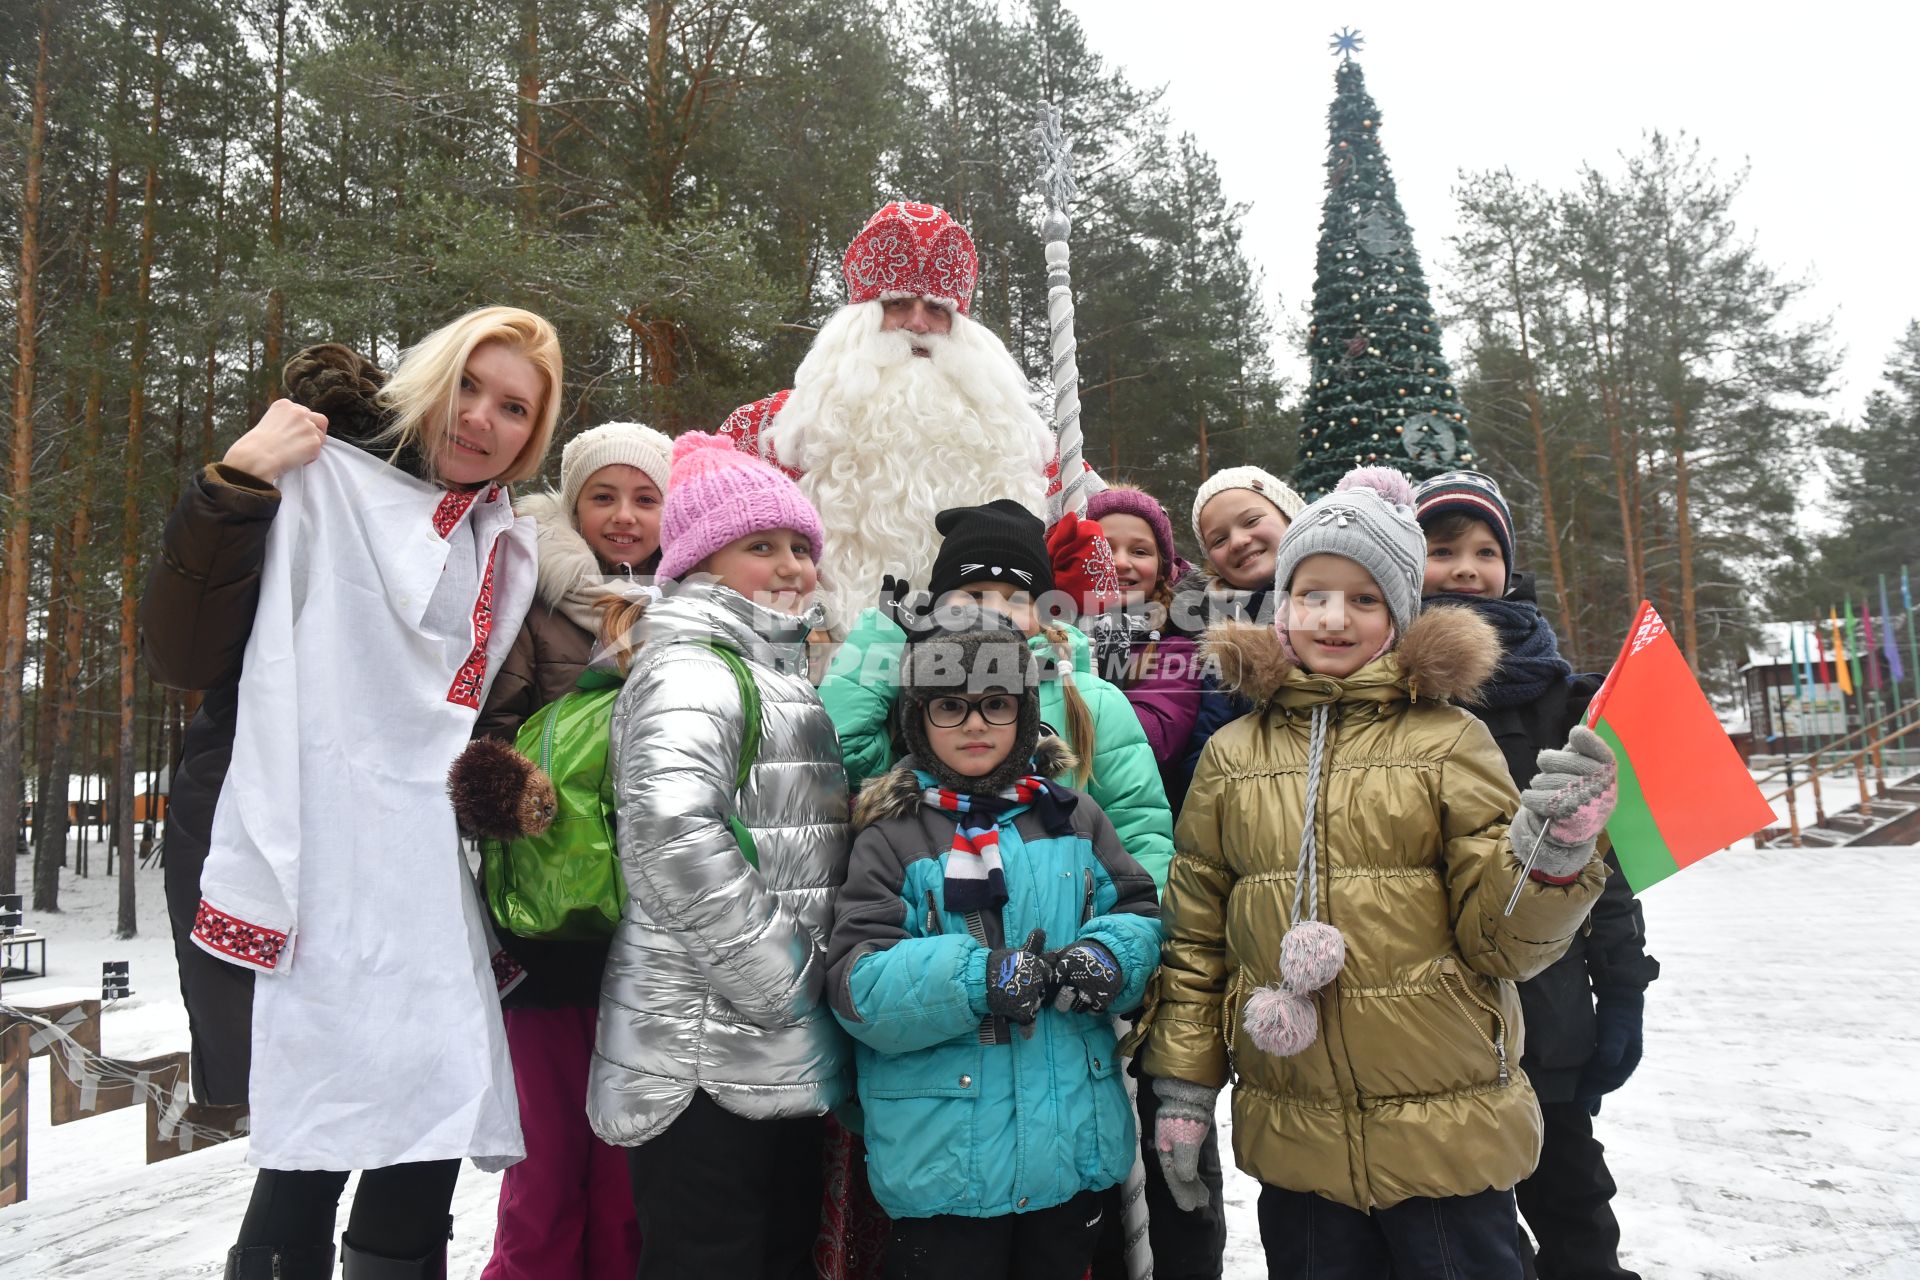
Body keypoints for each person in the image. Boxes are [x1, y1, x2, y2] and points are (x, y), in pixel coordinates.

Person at [142, 309, 563, 1278]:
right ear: (431, 377)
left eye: (512, 407)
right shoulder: (314, 479)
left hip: (420, 871)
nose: (480, 419)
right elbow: (183, 650)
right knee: (318, 1123)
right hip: (300, 839)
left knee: (425, 1116)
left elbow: (479, 715)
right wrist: (236, 482)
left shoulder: (498, 544)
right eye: (469, 385)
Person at [1136, 466, 1617, 1280]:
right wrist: (1184, 1088)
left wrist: (1555, 856)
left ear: (1400, 616)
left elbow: (1502, 942)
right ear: (1281, 604)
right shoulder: (1231, 757)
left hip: (1447, 1135)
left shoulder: (1450, 740)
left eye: (1365, 599)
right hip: (1298, 1140)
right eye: (1314, 593)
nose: (1335, 617)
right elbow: (1195, 944)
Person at [586, 431, 852, 1280]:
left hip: (767, 1043)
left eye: (801, 548)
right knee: (711, 1254)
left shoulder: (771, 670)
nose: (791, 567)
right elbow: (673, 833)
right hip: (701, 1051)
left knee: (775, 1251)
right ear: (701, 563)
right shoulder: (693, 668)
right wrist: (784, 978)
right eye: (760, 547)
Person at [825, 612, 1163, 1280]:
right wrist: (976, 980)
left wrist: (1110, 957)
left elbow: (1137, 912)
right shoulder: (892, 835)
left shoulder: (1073, 817)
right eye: (952, 706)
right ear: (917, 718)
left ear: (1025, 711)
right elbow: (858, 986)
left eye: (996, 705)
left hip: (1071, 1150)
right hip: (945, 1159)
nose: (976, 724)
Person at [1415, 470, 1658, 1280]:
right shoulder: (1392, 691)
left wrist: (1623, 991)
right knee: (1471, 1228)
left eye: (1485, 550)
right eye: (1442, 548)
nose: (1465, 566)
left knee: (1575, 1209)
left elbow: (1609, 866)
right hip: (1432, 1024)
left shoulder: (1562, 697)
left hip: (1548, 1017)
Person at [473, 421, 672, 1280]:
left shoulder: (696, 604)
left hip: (655, 922)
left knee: (634, 1171)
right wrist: (515, 793)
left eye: (645, 497)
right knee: (546, 1160)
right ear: (573, 502)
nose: (624, 517)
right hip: (549, 923)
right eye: (603, 496)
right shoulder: (536, 593)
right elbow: (486, 727)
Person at [717, 201, 1092, 634]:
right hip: (816, 677)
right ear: (859, 318)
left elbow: (1117, 557)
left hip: (987, 689)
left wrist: (1086, 569)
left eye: (938, 310)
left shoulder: (1028, 445)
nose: (918, 323)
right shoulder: (769, 431)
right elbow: (705, 552)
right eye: (897, 303)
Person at [820, 498, 1174, 893]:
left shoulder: (1094, 701)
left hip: (1069, 922)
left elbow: (1140, 829)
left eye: (1017, 598)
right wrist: (881, 643)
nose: (995, 609)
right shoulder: (917, 693)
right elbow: (841, 761)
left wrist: (1134, 932)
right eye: (973, 594)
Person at [1165, 466, 1307, 809]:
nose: (1239, 541)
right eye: (1219, 539)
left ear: (1291, 516)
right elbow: (1205, 753)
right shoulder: (1216, 639)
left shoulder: (1355, 601)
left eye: (1251, 520)